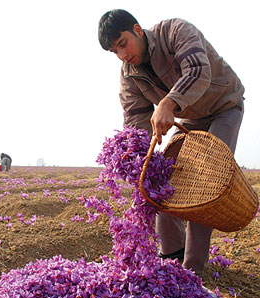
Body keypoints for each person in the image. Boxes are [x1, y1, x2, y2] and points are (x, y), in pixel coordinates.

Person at [98, 9, 244, 276]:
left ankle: (192, 272)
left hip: (223, 106)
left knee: (204, 185)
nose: (122, 55)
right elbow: (135, 117)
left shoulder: (175, 32)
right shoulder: (129, 73)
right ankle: (172, 263)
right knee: (163, 183)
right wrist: (138, 161)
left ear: (138, 30)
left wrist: (168, 102)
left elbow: (199, 71)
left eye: (123, 44)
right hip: (188, 118)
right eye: (114, 52)